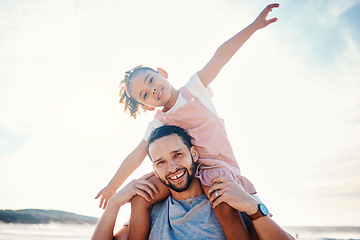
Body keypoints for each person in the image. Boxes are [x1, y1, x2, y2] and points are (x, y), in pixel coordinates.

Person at [96, 3, 280, 239]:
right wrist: (113, 186)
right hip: (184, 170)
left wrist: (253, 27)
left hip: (217, 169)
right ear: (145, 105)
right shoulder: (157, 123)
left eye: (151, 81)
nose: (153, 90)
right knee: (141, 195)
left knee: (225, 209)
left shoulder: (194, 90)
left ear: (162, 72)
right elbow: (136, 155)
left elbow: (220, 57)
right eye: (145, 95)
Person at [91, 125, 294, 240]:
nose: (172, 168)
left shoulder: (228, 198)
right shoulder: (152, 212)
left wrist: (252, 207)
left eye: (178, 155)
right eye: (161, 162)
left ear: (194, 154)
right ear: (154, 169)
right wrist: (114, 203)